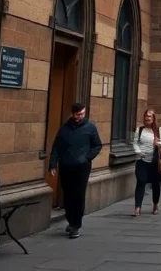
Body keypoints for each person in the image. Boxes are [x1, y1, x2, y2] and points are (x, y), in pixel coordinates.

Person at [49, 102, 102, 238]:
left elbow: (97, 145)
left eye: (83, 114)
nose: (81, 116)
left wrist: (86, 158)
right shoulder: (64, 129)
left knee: (78, 195)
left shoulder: (90, 127)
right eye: (78, 114)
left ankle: (76, 225)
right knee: (67, 195)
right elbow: (56, 147)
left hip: (82, 167)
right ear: (72, 114)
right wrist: (53, 164)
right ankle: (71, 220)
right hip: (66, 166)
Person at [132, 108, 161, 216]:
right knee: (141, 181)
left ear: (153, 118)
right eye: (146, 116)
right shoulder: (140, 130)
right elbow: (135, 143)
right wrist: (138, 152)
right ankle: (137, 207)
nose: (147, 118)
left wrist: (159, 144)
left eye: (149, 116)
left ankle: (155, 205)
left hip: (154, 161)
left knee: (155, 183)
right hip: (142, 160)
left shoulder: (159, 130)